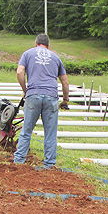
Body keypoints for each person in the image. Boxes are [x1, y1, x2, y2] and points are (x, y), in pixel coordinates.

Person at [13, 33, 70, 168]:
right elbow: (65, 81)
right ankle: (49, 164)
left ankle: (19, 161)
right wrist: (65, 100)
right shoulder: (56, 57)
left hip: (33, 94)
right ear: (48, 45)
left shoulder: (28, 54)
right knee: (50, 133)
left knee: (26, 131)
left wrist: (25, 90)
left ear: (36, 43)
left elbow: (20, 72)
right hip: (51, 96)